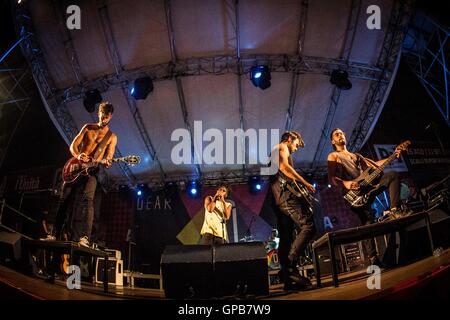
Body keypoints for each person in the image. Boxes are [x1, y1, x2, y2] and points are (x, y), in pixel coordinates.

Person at [327, 128, 409, 266]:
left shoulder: (356, 155)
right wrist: (346, 183)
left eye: (342, 133)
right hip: (353, 195)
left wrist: (394, 155)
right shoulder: (333, 156)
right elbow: (331, 178)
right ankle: (373, 257)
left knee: (392, 175)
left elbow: (375, 165)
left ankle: (395, 210)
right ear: (333, 141)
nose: (340, 135)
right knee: (367, 222)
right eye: (337, 134)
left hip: (368, 188)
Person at [54, 101, 117, 247]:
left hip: (92, 171)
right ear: (98, 113)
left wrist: (108, 162)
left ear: (110, 117)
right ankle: (54, 234)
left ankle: (85, 238)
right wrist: (78, 155)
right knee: (64, 201)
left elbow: (109, 157)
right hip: (76, 168)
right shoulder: (87, 127)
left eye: (107, 117)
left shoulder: (112, 137)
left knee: (88, 201)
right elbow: (73, 146)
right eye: (102, 116)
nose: (104, 119)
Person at [269, 131, 316, 290]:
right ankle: (289, 266)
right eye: (296, 144)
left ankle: (289, 281)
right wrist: (305, 182)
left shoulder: (279, 149)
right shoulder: (281, 147)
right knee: (308, 225)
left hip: (278, 199)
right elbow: (284, 167)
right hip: (284, 197)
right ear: (289, 139)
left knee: (286, 237)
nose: (296, 148)